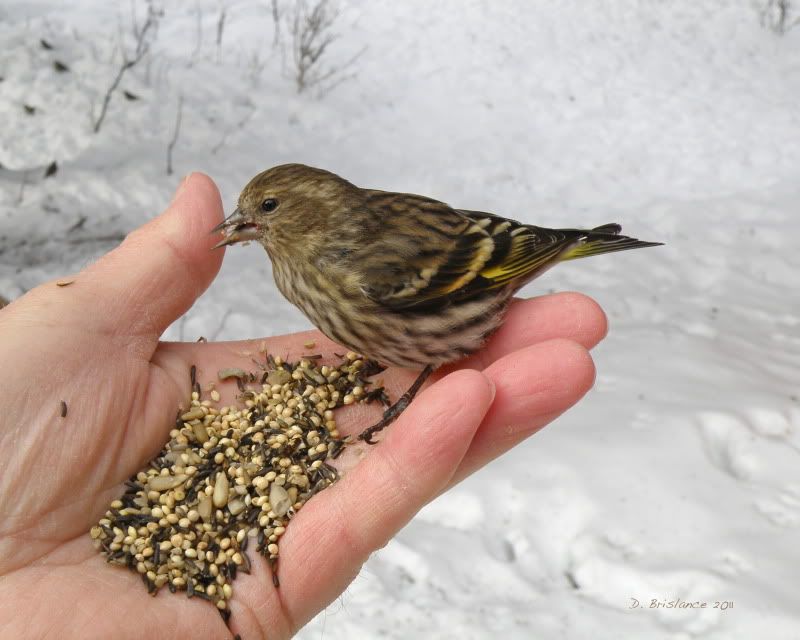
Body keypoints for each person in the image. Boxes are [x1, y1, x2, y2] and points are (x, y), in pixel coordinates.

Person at [0, 173, 606, 639]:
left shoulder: (370, 269)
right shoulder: (305, 270)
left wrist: (558, 246)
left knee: (444, 385)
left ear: (312, 213)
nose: (244, 223)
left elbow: (476, 258)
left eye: (266, 209)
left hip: (476, 289)